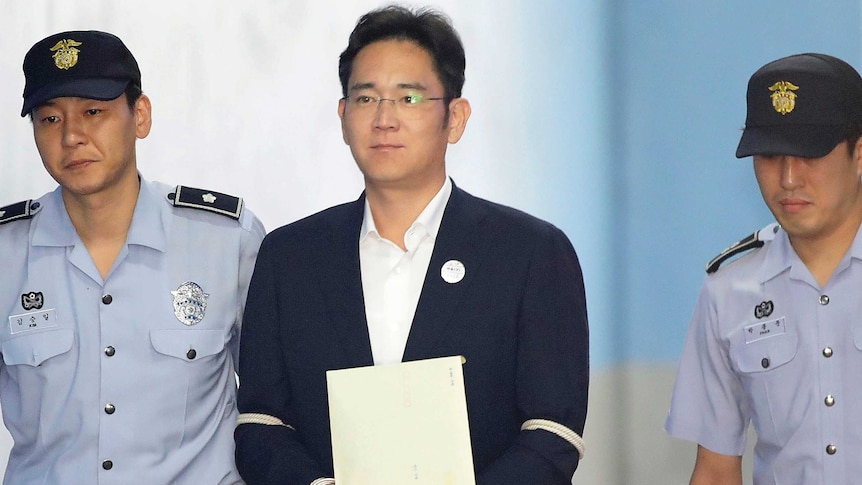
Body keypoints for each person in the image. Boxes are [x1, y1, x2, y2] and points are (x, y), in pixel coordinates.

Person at [234, 5, 589, 485]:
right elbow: (261, 425)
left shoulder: (529, 253)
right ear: (343, 117)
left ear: (455, 118)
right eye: (365, 99)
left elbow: (553, 431)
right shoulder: (289, 257)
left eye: (410, 99)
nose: (384, 119)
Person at [0, 30, 264, 483]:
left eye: (93, 112)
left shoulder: (224, 240)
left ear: (139, 116)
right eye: (49, 120)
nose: (72, 136)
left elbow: (273, 408)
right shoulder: (7, 252)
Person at [666, 52, 862, 484]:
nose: (788, 178)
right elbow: (716, 471)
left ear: (860, 152)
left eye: (810, 153)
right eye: (769, 155)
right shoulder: (729, 291)